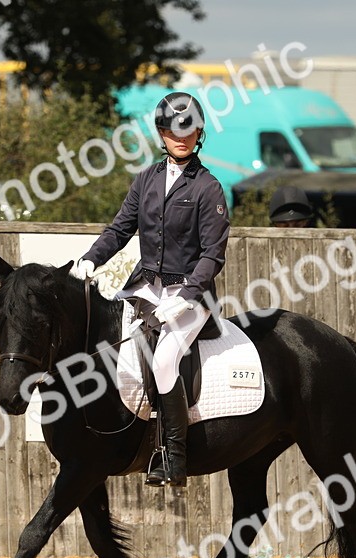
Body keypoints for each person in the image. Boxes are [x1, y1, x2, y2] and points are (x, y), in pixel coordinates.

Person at [71, 91, 231, 488]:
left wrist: (187, 298)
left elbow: (213, 255)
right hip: (146, 287)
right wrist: (92, 258)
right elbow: (121, 227)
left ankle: (174, 457)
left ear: (198, 134)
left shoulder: (208, 188)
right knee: (109, 347)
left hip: (189, 295)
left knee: (163, 361)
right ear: (161, 133)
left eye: (188, 130)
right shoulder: (146, 179)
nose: (181, 137)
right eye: (172, 130)